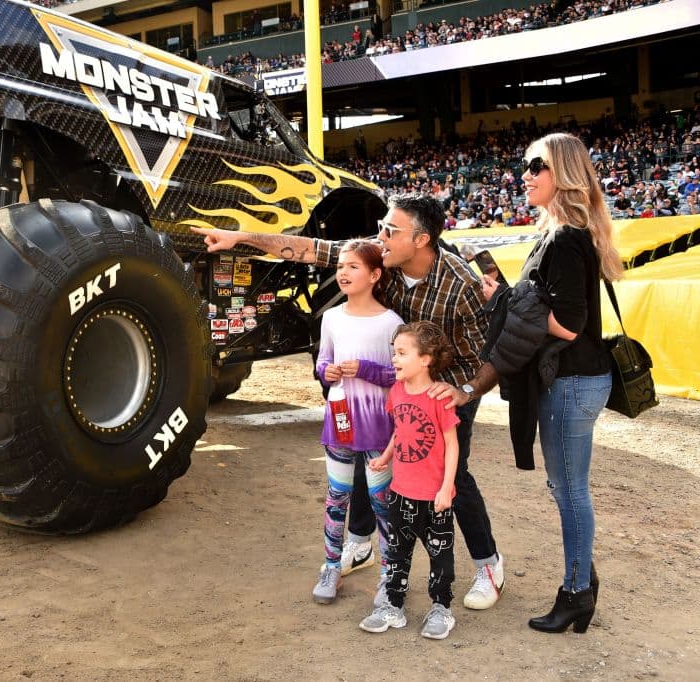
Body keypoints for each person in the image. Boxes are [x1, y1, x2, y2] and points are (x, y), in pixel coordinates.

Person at [191, 192, 506, 612]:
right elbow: (310, 250)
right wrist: (240, 238)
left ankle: (488, 565)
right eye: (381, 227)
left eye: (391, 230)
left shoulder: (459, 284)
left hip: (445, 390)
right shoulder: (379, 258)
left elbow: (489, 356)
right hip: (388, 390)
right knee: (364, 458)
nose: (381, 236)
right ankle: (359, 544)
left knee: (451, 477)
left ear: (422, 239)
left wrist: (462, 392)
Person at [430, 132, 622, 633]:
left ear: (563, 172)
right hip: (575, 379)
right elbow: (548, 309)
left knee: (569, 491)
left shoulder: (564, 237)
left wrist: (514, 304)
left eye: (536, 166)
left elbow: (568, 324)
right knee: (568, 488)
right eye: (525, 166)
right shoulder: (565, 233)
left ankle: (577, 592)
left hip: (572, 381)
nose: (526, 175)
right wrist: (507, 298)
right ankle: (584, 575)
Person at [311, 240, 402, 605]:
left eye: (353, 267)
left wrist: (365, 370)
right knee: (337, 497)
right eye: (341, 266)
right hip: (340, 421)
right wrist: (326, 372)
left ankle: (390, 574)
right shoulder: (332, 318)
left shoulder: (391, 323)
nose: (343, 273)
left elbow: (400, 375)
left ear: (375, 275)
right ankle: (332, 565)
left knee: (383, 502)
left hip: (378, 426)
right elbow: (322, 362)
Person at [359, 321, 459, 639]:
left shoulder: (439, 398)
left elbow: (453, 445)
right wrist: (385, 458)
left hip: (435, 498)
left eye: (402, 353)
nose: (395, 359)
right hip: (400, 494)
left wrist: (446, 489)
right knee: (397, 554)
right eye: (394, 352)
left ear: (426, 359)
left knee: (440, 557)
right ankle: (393, 606)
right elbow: (400, 432)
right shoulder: (398, 391)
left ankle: (441, 608)